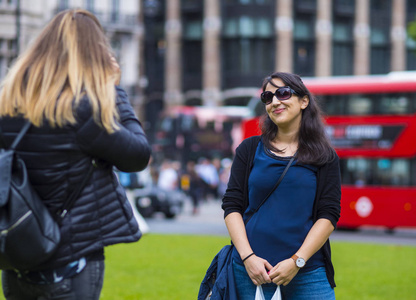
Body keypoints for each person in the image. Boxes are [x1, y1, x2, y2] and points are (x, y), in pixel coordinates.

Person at [0, 9, 151, 300]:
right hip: (70, 262)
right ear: (92, 55)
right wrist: (115, 91)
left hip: (17, 259)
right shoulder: (81, 111)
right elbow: (137, 156)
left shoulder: (8, 105)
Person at [222, 72, 341, 300]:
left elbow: (328, 215)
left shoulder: (325, 156)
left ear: (304, 101)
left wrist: (297, 261)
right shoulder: (249, 149)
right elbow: (232, 206)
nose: (275, 101)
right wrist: (248, 258)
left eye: (283, 93)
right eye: (268, 97)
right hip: (251, 271)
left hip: (308, 273)